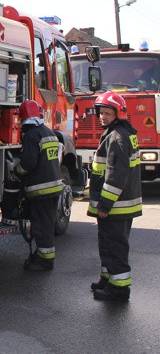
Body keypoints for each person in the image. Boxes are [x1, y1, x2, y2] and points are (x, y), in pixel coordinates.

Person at [87, 91, 142, 301]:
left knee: (116, 246)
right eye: (101, 113)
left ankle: (119, 289)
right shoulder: (117, 132)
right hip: (118, 205)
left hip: (116, 206)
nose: (102, 117)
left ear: (118, 113)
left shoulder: (117, 137)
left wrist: (105, 204)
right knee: (107, 244)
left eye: (107, 113)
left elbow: (116, 175)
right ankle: (108, 279)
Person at [12, 99, 64, 271]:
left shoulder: (31, 135)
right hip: (54, 188)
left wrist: (16, 171)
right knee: (47, 225)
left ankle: (45, 261)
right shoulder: (48, 132)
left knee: (41, 227)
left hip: (40, 190)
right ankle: (42, 256)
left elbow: (28, 163)